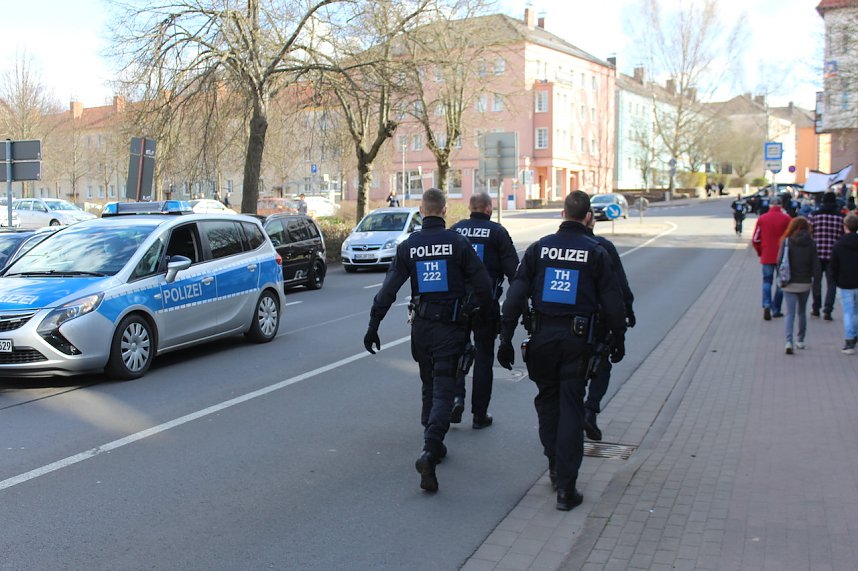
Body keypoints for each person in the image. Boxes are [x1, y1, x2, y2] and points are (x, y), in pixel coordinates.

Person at [496, 191, 626, 511]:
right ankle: (566, 488)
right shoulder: (596, 252)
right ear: (588, 217)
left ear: (563, 214)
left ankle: (554, 466)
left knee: (547, 402)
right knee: (570, 408)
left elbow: (514, 298)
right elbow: (613, 302)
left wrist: (505, 337)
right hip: (577, 344)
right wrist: (618, 338)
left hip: (541, 341)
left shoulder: (539, 249)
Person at [363, 188, 492, 493]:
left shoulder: (409, 246)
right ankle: (430, 450)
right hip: (450, 327)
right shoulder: (458, 243)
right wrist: (480, 312)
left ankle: (431, 440)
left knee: (428, 384)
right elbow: (483, 284)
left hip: (421, 327)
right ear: (445, 212)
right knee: (445, 389)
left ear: (421, 212)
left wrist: (373, 324)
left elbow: (389, 289)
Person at [450, 192, 520, 429]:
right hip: (485, 303)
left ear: (470, 208)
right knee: (483, 357)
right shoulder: (498, 232)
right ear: (489, 209)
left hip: (457, 304)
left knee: (456, 352)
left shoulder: (456, 230)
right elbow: (514, 272)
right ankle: (479, 414)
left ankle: (456, 397)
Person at [582, 210, 635, 441]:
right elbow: (618, 286)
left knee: (570, 373)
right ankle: (589, 411)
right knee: (601, 367)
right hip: (598, 322)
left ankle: (569, 418)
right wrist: (625, 316)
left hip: (563, 324)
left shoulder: (548, 246)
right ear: (589, 218)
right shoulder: (603, 247)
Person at [777, 216, 821, 354]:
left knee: (789, 313)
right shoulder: (812, 243)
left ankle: (788, 341)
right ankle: (800, 340)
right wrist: (817, 284)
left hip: (789, 282)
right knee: (801, 312)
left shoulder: (787, 242)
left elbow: (779, 261)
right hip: (805, 283)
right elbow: (816, 265)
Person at [752, 195, 791, 320]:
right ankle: (776, 308)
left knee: (767, 281)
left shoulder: (762, 218)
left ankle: (766, 304)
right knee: (781, 282)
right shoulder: (787, 219)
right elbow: (791, 238)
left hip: (767, 254)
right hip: (782, 255)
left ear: (770, 205)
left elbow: (755, 239)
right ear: (781, 205)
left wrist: (760, 251)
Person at [809, 191, 845, 320]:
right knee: (832, 284)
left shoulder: (814, 216)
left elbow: (809, 233)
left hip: (817, 255)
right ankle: (828, 310)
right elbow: (842, 236)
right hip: (833, 256)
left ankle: (816, 308)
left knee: (816, 282)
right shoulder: (840, 218)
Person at [830, 213, 858, 354]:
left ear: (845, 227)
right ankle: (855, 335)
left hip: (845, 282)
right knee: (856, 311)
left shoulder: (839, 245)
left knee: (848, 311)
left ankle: (849, 341)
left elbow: (834, 266)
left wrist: (836, 280)